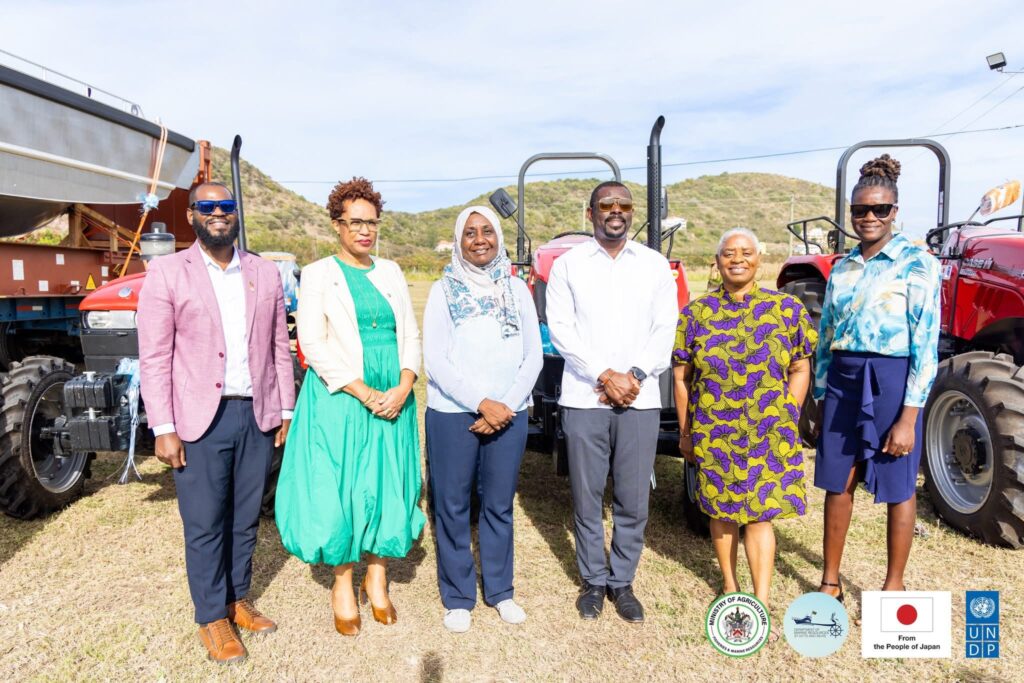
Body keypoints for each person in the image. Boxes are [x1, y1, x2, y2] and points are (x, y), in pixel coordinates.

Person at [137, 182, 295, 664]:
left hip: (256, 413)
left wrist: (285, 409)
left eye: (226, 206)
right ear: (192, 215)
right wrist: (163, 426)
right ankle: (211, 617)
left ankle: (235, 598)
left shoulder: (264, 272)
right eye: (207, 206)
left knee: (245, 518)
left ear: (236, 213)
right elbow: (155, 356)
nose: (218, 213)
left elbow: (279, 345)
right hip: (198, 419)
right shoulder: (167, 272)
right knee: (205, 523)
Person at [274, 177, 425, 637]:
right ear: (337, 225)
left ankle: (376, 577)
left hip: (394, 392)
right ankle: (342, 583)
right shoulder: (319, 273)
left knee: (387, 485)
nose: (365, 230)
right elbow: (313, 343)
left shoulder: (392, 270)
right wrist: (364, 392)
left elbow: (410, 333)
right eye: (355, 222)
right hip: (341, 395)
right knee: (340, 488)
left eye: (372, 222)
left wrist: (404, 385)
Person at [545, 181, 678, 623]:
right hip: (585, 397)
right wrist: (605, 375)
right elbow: (562, 329)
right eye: (607, 204)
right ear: (591, 213)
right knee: (586, 497)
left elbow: (665, 327)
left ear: (632, 211)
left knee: (633, 499)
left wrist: (634, 376)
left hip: (639, 399)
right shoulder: (568, 265)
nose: (616, 211)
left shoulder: (654, 265)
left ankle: (622, 582)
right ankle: (593, 581)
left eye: (623, 204)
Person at [814, 155, 941, 601]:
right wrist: (819, 395)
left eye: (879, 209)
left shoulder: (917, 263)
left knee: (897, 483)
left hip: (891, 378)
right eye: (860, 209)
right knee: (838, 479)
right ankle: (830, 581)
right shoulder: (843, 266)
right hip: (843, 378)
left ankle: (893, 586)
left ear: (894, 211)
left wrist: (908, 418)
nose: (869, 217)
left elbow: (926, 343)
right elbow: (826, 333)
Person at [672, 228, 817, 614]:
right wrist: (686, 432)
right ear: (717, 262)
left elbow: (800, 367)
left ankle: (761, 598)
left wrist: (788, 412)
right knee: (721, 512)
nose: (737, 259)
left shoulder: (786, 310)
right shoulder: (696, 314)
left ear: (759, 259)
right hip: (714, 431)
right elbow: (681, 378)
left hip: (767, 432)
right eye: (729, 253)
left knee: (760, 514)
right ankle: (730, 586)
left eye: (746, 252)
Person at [422, 206, 543, 633]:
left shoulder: (517, 289)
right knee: (452, 505)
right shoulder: (442, 290)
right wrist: (481, 403)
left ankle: (500, 591)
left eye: (487, 231)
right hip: (453, 414)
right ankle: (459, 596)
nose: (479, 240)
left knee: (498, 504)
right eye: (470, 233)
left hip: (509, 413)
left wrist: (504, 405)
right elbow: (435, 359)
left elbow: (533, 355)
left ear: (498, 237)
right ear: (459, 241)